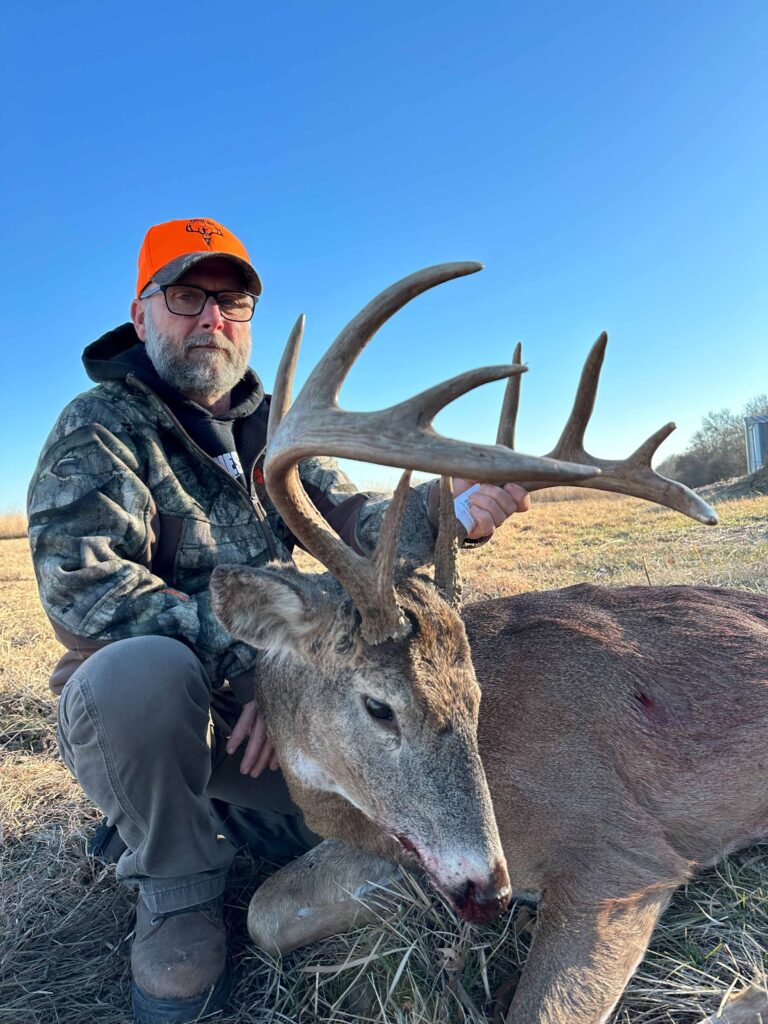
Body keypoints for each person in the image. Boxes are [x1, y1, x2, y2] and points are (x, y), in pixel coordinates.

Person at [27, 217, 529, 1024]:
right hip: (171, 709)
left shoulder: (275, 432)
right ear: (142, 309)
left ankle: (251, 822)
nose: (211, 320)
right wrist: (246, 664)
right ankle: (177, 889)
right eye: (187, 297)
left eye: (232, 302)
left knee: (407, 712)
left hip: (285, 686)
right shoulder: (100, 430)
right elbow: (84, 589)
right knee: (139, 676)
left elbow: (344, 519)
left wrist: (448, 508)